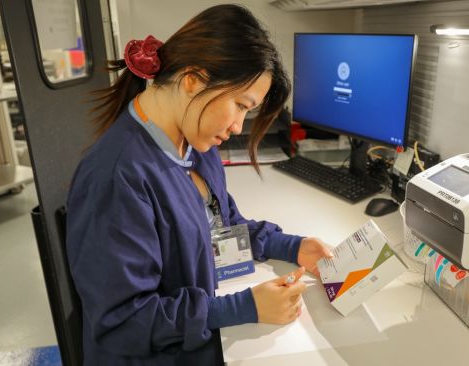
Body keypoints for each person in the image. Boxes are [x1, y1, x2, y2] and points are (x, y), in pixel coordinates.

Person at [66, 4, 332, 365]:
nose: (239, 126)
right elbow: (122, 322)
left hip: (192, 336)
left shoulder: (195, 141)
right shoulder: (117, 176)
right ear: (193, 80)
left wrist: (292, 246)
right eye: (240, 105)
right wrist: (241, 307)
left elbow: (221, 231)